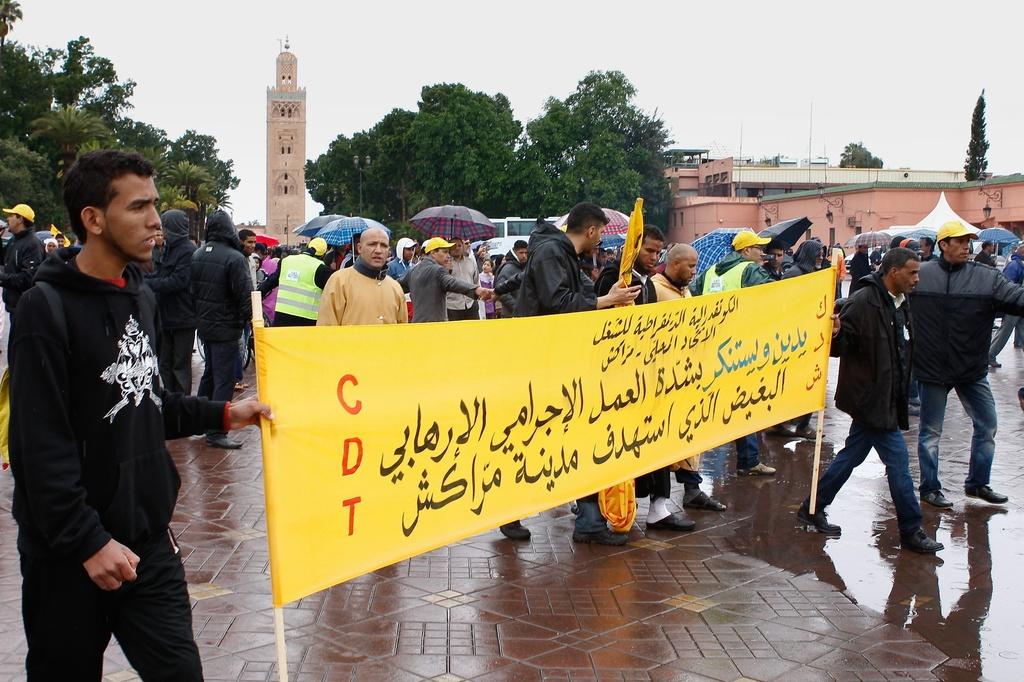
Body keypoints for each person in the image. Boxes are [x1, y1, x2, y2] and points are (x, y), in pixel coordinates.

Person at [8, 149, 271, 681]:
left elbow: (148, 403)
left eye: (155, 206)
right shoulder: (46, 308)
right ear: (94, 219)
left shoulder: (141, 298)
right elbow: (39, 447)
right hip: (69, 556)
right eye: (140, 207)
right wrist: (88, 542)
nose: (157, 223)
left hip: (146, 545)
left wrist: (225, 413)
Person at [797, 247, 943, 554]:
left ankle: (812, 507)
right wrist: (836, 333)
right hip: (871, 400)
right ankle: (911, 529)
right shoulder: (864, 301)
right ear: (893, 273)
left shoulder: (902, 302)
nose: (917, 278)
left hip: (887, 396)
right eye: (912, 272)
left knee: (851, 456)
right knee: (899, 464)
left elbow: (901, 348)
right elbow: (839, 346)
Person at [515, 207, 640, 545]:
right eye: (599, 232)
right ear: (590, 230)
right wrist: (605, 300)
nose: (601, 239)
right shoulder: (552, 253)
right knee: (537, 439)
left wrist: (610, 296)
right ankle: (514, 512)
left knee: (566, 437)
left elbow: (580, 294)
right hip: (545, 360)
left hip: (559, 360)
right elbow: (559, 303)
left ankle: (587, 519)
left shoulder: (560, 253)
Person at [912, 221, 1024, 509]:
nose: (966, 247)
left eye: (968, 241)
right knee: (930, 434)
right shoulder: (920, 276)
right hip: (932, 369)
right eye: (959, 241)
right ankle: (930, 488)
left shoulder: (986, 278)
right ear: (943, 245)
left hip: (971, 370)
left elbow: (1016, 299)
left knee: (987, 425)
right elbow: (883, 292)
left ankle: (977, 483)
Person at [689, 231, 776, 477]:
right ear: (745, 251)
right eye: (758, 247)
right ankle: (748, 460)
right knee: (744, 402)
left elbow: (690, 299)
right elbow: (776, 297)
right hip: (740, 349)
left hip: (709, 347)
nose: (762, 252)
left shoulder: (709, 272)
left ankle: (691, 470)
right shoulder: (749, 270)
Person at [653, 244, 727, 513]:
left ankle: (692, 490)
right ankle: (659, 505)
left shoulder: (683, 290)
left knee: (690, 435)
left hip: (687, 375)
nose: (695, 272)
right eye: (691, 266)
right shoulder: (656, 290)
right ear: (674, 265)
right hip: (663, 380)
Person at [190, 210, 252, 450]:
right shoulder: (234, 258)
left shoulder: (197, 255)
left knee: (210, 375)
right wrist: (252, 321)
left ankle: (199, 421)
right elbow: (244, 296)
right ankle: (216, 430)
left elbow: (192, 291)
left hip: (205, 326)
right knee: (224, 379)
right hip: (226, 328)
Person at [145, 209, 197, 395]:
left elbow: (178, 281)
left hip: (183, 318)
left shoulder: (187, 251)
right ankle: (170, 402)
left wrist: (147, 283)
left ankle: (182, 408)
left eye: (164, 226)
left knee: (180, 366)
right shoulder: (168, 248)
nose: (162, 231)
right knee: (165, 364)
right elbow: (161, 274)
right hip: (166, 318)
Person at [317, 228, 408, 326]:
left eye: (384, 246)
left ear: (388, 251)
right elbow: (326, 329)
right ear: (359, 248)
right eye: (372, 244)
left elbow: (402, 332)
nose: (378, 250)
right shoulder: (339, 282)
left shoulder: (395, 288)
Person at [400, 237, 492, 323]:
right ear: (433, 253)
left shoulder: (413, 270)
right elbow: (452, 283)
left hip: (417, 324)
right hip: (436, 326)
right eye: (445, 252)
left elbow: (396, 287)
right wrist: (476, 290)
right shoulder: (438, 270)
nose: (448, 255)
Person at [259, 237, 332, 327]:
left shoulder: (287, 261)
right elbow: (331, 295)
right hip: (307, 321)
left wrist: (257, 296)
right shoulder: (322, 268)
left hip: (281, 316)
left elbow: (270, 282)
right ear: (323, 254)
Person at [0, 202, 45, 329]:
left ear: (20, 219)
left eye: (11, 215)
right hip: (14, 307)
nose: (7, 219)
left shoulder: (32, 244)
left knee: (18, 348)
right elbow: (2, 260)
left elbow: (28, 278)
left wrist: (2, 278)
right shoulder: (14, 240)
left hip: (25, 309)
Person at [595, 226, 663, 306]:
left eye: (658, 253)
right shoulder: (612, 276)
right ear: (635, 247)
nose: (654, 258)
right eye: (649, 251)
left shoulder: (649, 283)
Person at [989, 243, 1024, 366]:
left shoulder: (1019, 264)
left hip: (1019, 302)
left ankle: (990, 355)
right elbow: (1006, 284)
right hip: (1014, 303)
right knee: (1005, 331)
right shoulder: (1014, 265)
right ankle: (990, 355)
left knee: (1022, 330)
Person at [445, 238, 481, 321]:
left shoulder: (470, 262)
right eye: (453, 246)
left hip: (470, 304)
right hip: (452, 306)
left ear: (463, 247)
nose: (457, 248)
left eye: (459, 245)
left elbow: (475, 280)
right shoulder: (445, 263)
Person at [495, 240, 528, 317]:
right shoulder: (507, 268)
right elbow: (501, 292)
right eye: (521, 253)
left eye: (526, 253)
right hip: (510, 314)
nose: (524, 256)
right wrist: (516, 307)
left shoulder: (524, 267)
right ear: (515, 252)